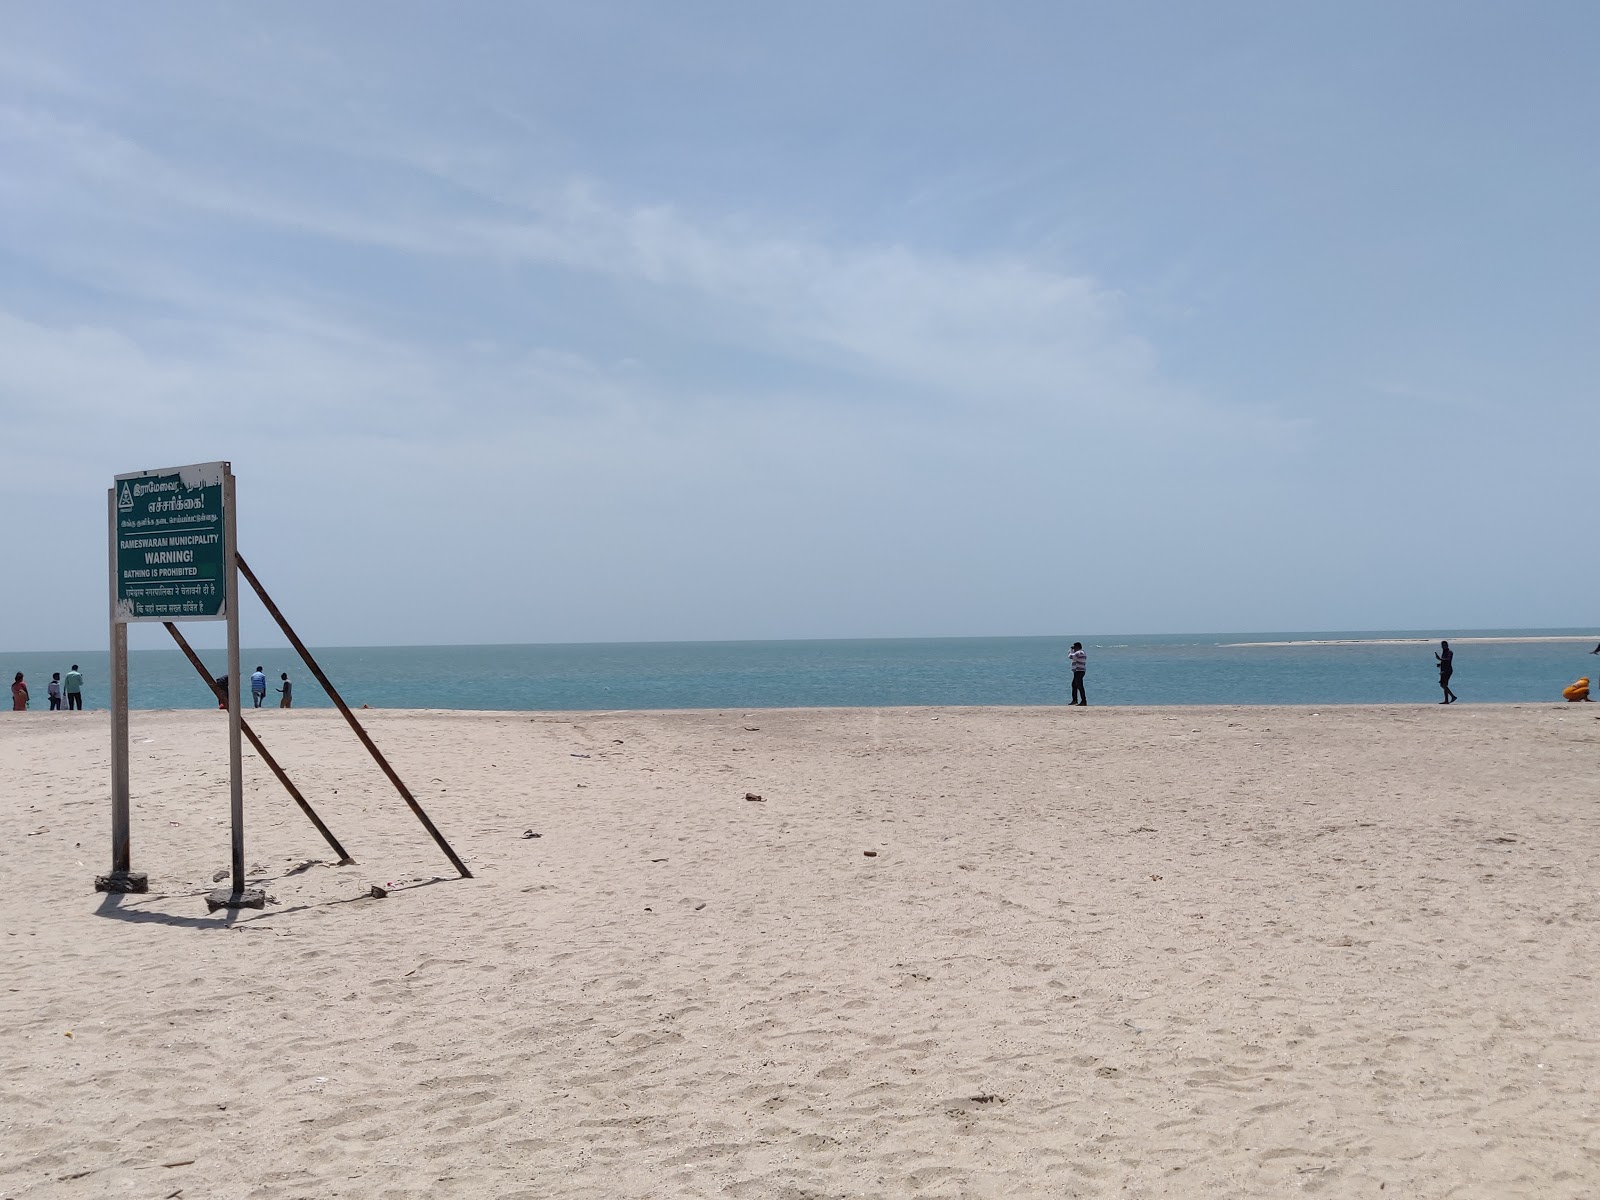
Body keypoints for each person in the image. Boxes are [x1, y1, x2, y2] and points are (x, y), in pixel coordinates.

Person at [1435, 640, 1457, 704]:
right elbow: (1444, 661)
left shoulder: (1450, 652)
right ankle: (1446, 700)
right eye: (1442, 646)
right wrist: (1440, 664)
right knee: (1444, 685)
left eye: (1445, 645)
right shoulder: (1444, 652)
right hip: (1443, 671)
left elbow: (1448, 660)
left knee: (1443, 685)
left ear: (1447, 645)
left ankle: (1453, 696)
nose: (1443, 647)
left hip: (1448, 670)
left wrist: (1440, 659)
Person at [1068, 641, 1087, 706]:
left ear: (1077, 647)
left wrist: (1070, 650)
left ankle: (1083, 701)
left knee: (1079, 686)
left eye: (1074, 647)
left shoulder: (1079, 653)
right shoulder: (1081, 652)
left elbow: (1070, 656)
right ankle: (1075, 700)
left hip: (1079, 671)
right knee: (1074, 685)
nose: (1074, 649)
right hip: (1078, 671)